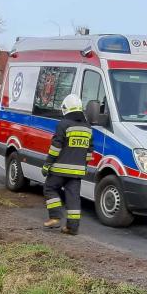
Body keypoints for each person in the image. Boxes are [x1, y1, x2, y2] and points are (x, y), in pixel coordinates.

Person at [42, 94, 93, 235]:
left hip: (59, 169)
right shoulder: (87, 128)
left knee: (49, 188)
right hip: (77, 172)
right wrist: (84, 167)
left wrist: (47, 164)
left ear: (66, 108)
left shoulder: (63, 124)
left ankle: (55, 216)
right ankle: (72, 227)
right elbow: (89, 152)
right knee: (73, 198)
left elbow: (56, 147)